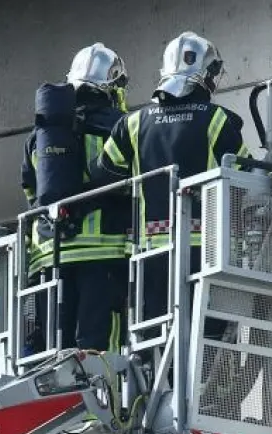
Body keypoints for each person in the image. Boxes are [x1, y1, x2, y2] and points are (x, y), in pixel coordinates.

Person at [93, 31, 250, 323]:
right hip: (207, 252)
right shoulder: (217, 119)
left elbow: (103, 173)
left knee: (156, 334)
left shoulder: (132, 123)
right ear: (206, 74)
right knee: (208, 334)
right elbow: (245, 178)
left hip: (151, 253)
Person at [21, 44, 130, 353]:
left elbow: (31, 191)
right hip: (102, 253)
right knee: (98, 350)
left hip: (49, 257)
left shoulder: (40, 136)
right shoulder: (118, 127)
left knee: (56, 351)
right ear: (112, 86)